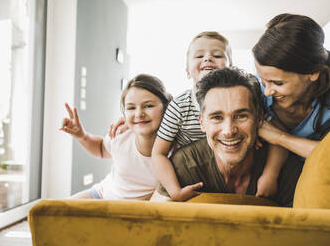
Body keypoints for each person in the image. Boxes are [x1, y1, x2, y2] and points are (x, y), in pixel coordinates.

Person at [150, 67, 303, 207]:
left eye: (241, 116)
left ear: (259, 118)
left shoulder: (285, 169)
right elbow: (151, 223)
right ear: (202, 123)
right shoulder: (185, 165)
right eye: (217, 117)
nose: (229, 131)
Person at [251, 13, 330, 173]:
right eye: (264, 81)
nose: (267, 92)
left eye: (278, 83)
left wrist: (280, 138)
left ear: (313, 73)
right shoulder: (259, 83)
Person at [60, 74, 172, 200]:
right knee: (56, 212)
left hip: (130, 210)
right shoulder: (121, 134)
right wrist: (82, 136)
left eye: (148, 106)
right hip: (101, 195)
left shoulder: (176, 146)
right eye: (131, 108)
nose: (139, 114)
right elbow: (101, 149)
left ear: (166, 106)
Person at [151, 31, 233, 201]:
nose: (208, 58)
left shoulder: (240, 101)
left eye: (217, 55)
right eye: (199, 55)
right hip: (189, 173)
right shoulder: (180, 106)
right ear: (188, 71)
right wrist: (175, 191)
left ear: (231, 69)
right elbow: (158, 153)